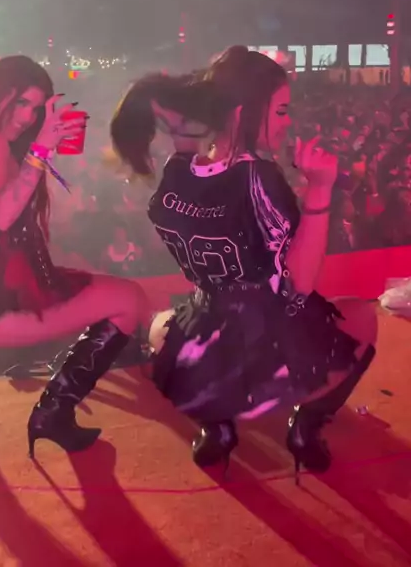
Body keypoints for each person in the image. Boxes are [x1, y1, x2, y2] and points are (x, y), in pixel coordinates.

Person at [110, 46, 377, 479]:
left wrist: (184, 128)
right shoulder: (260, 178)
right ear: (243, 112)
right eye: (281, 110)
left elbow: (188, 158)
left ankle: (217, 427)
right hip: (266, 351)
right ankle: (306, 426)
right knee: (361, 318)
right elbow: (298, 285)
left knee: (161, 325)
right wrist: (320, 190)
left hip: (201, 347)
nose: (287, 121)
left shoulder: (179, 170)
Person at [0, 55, 146, 456]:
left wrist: (42, 154)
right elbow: (1, 217)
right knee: (129, 299)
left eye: (35, 108)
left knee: (113, 292)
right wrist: (41, 149)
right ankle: (53, 412)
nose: (26, 117)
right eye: (19, 103)